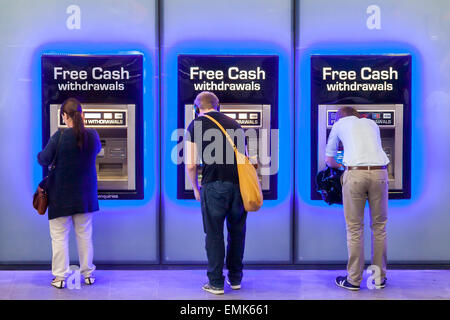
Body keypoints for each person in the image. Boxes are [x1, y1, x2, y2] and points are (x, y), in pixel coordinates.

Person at [185, 91, 247, 295]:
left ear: (196, 107)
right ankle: (236, 278)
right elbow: (243, 158)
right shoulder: (235, 124)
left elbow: (191, 164)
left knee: (214, 234)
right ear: (218, 105)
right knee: (237, 232)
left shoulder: (196, 124)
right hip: (239, 186)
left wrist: (196, 188)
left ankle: (216, 283)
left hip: (213, 185)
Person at [38, 98, 101, 289]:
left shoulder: (59, 136)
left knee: (59, 237)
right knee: (84, 235)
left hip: (60, 196)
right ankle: (88, 274)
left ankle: (60, 277)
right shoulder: (93, 135)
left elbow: (43, 159)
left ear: (65, 116)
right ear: (82, 114)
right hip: (85, 195)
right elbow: (96, 151)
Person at [325, 106, 389, 291]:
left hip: (355, 174)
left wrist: (342, 163)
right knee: (379, 228)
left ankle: (353, 280)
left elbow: (329, 161)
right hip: (380, 174)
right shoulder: (371, 123)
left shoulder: (339, 125)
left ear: (339, 118)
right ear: (357, 115)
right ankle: (378, 279)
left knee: (354, 228)